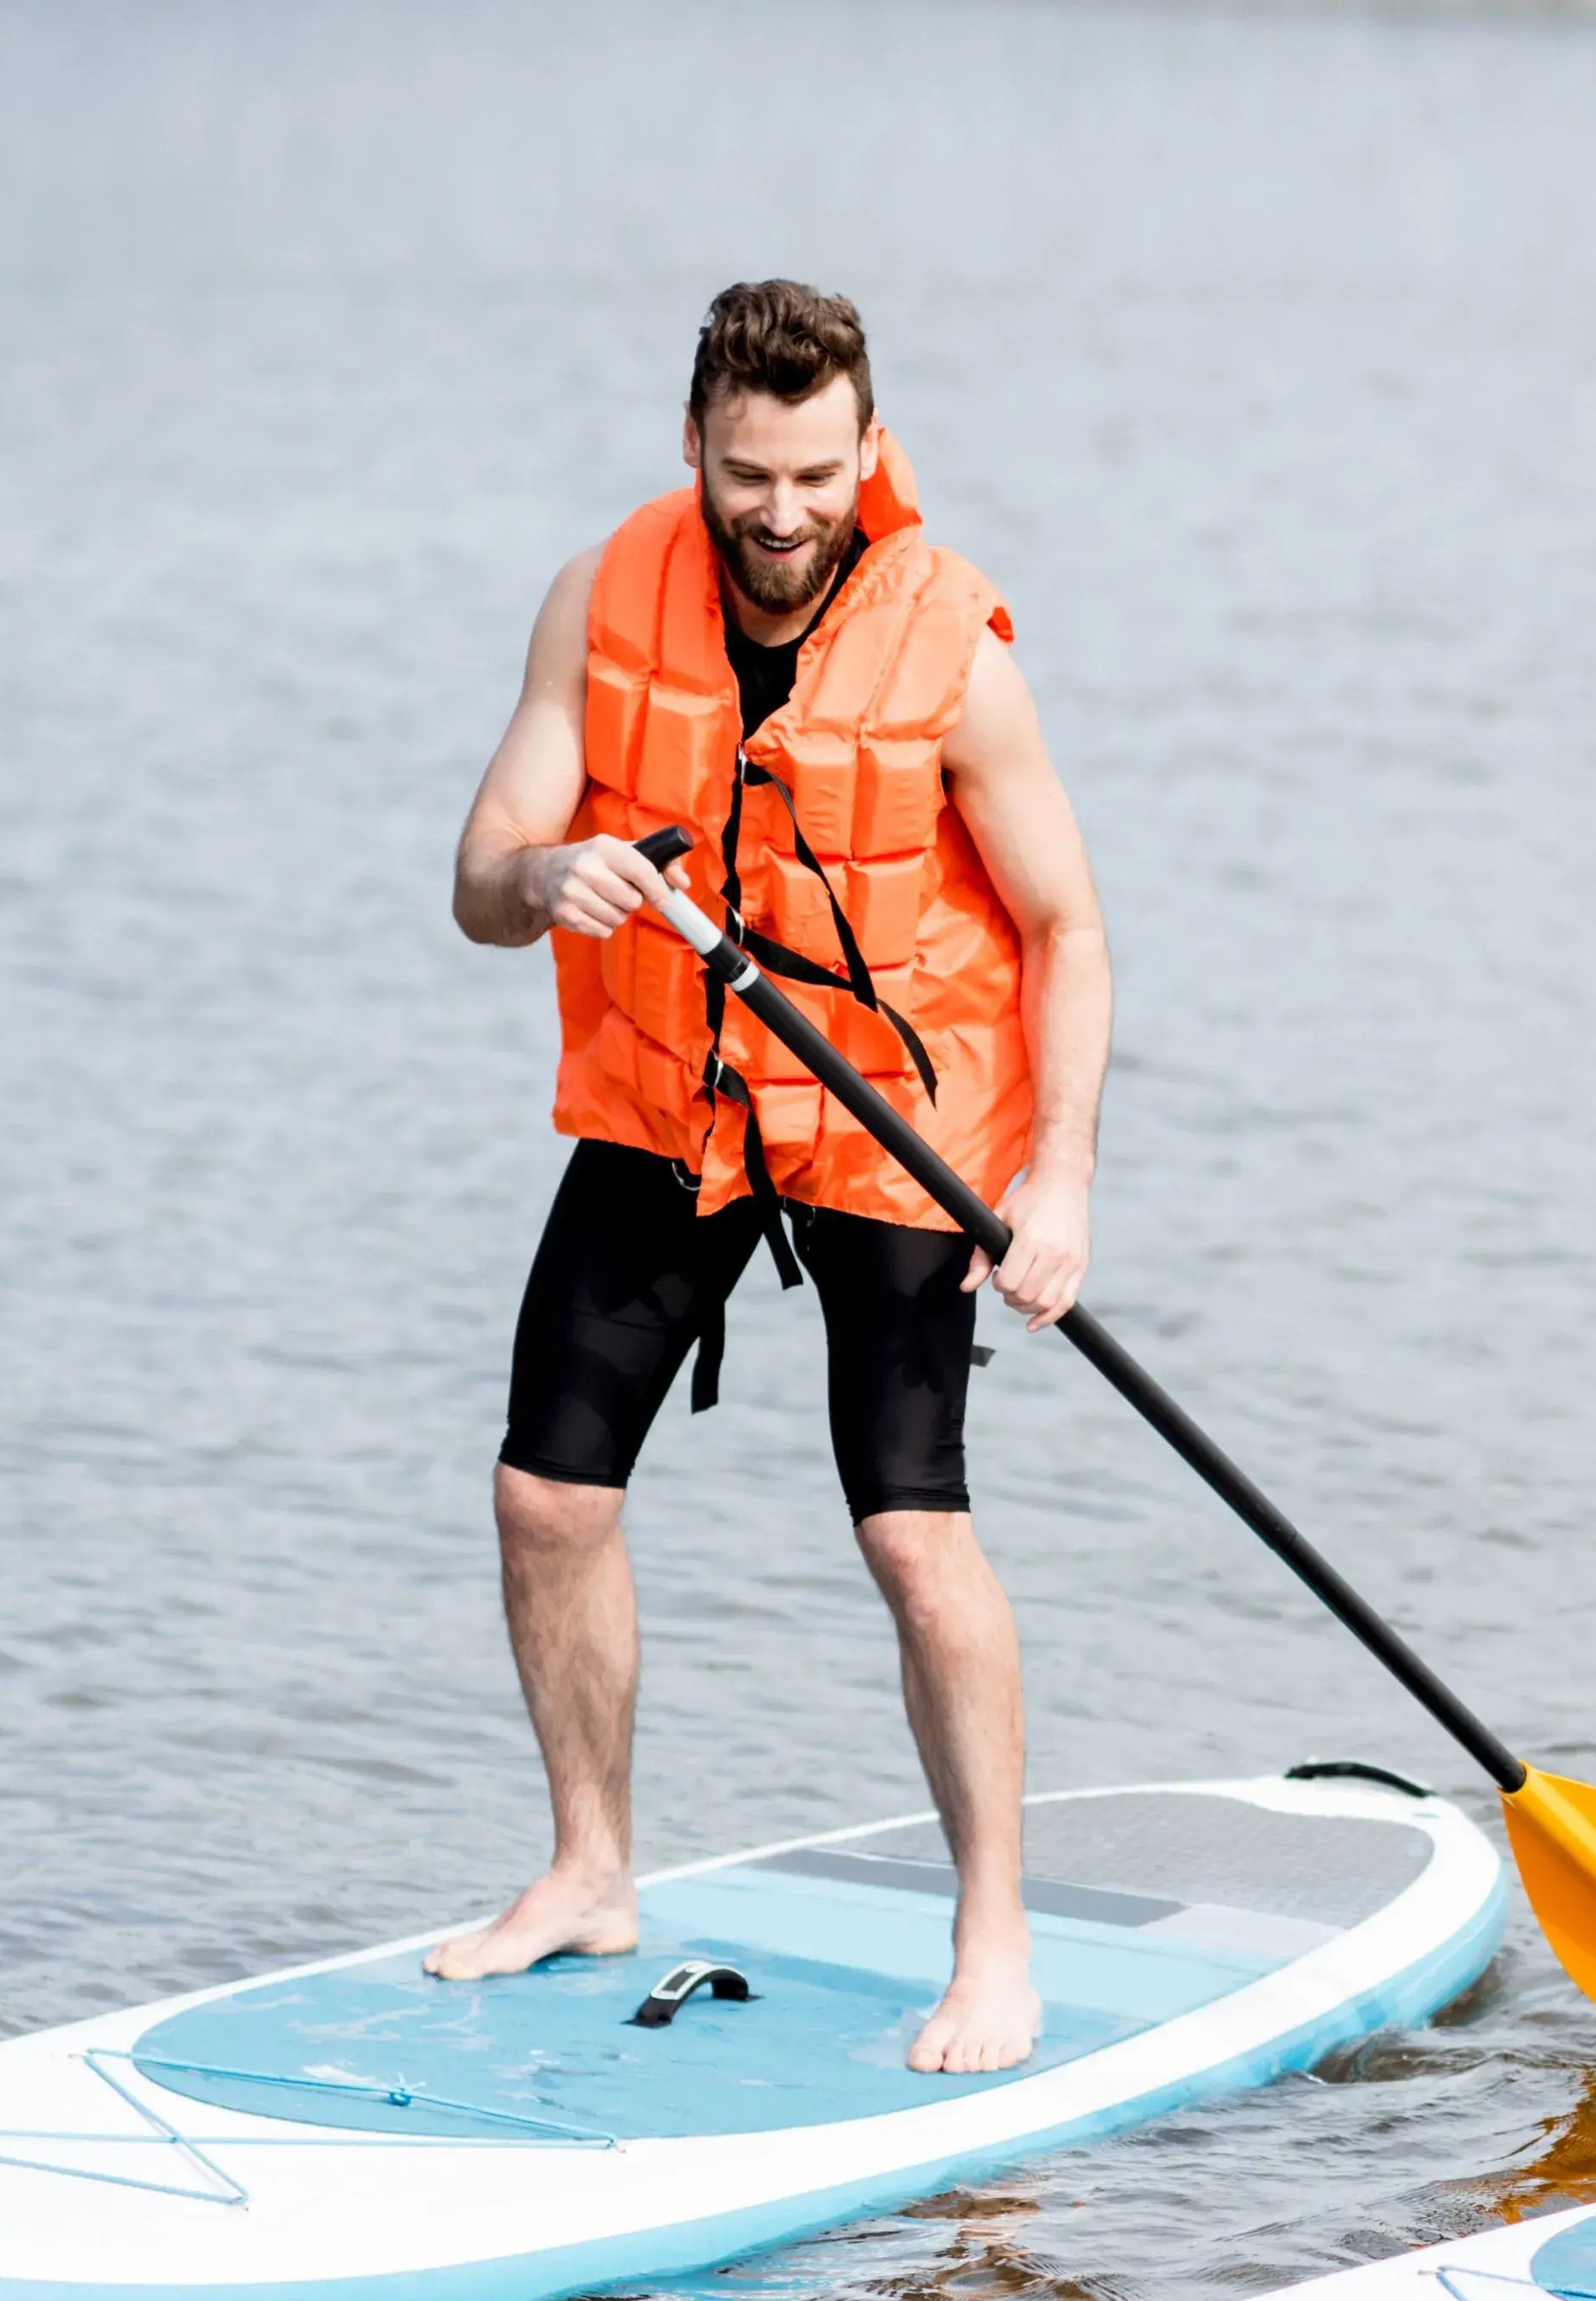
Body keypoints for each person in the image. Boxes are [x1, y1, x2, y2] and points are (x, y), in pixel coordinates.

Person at [429, 280, 1112, 2074]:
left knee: (910, 1529)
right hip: (679, 1096)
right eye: (750, 473)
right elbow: (480, 870)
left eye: (817, 472)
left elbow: (1067, 926)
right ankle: (588, 1867)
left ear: (865, 455)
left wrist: (1059, 1183)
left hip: (897, 1109)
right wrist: (539, 884)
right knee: (542, 1498)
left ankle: (995, 1944)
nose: (784, 511)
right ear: (695, 449)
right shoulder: (600, 596)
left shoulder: (954, 648)